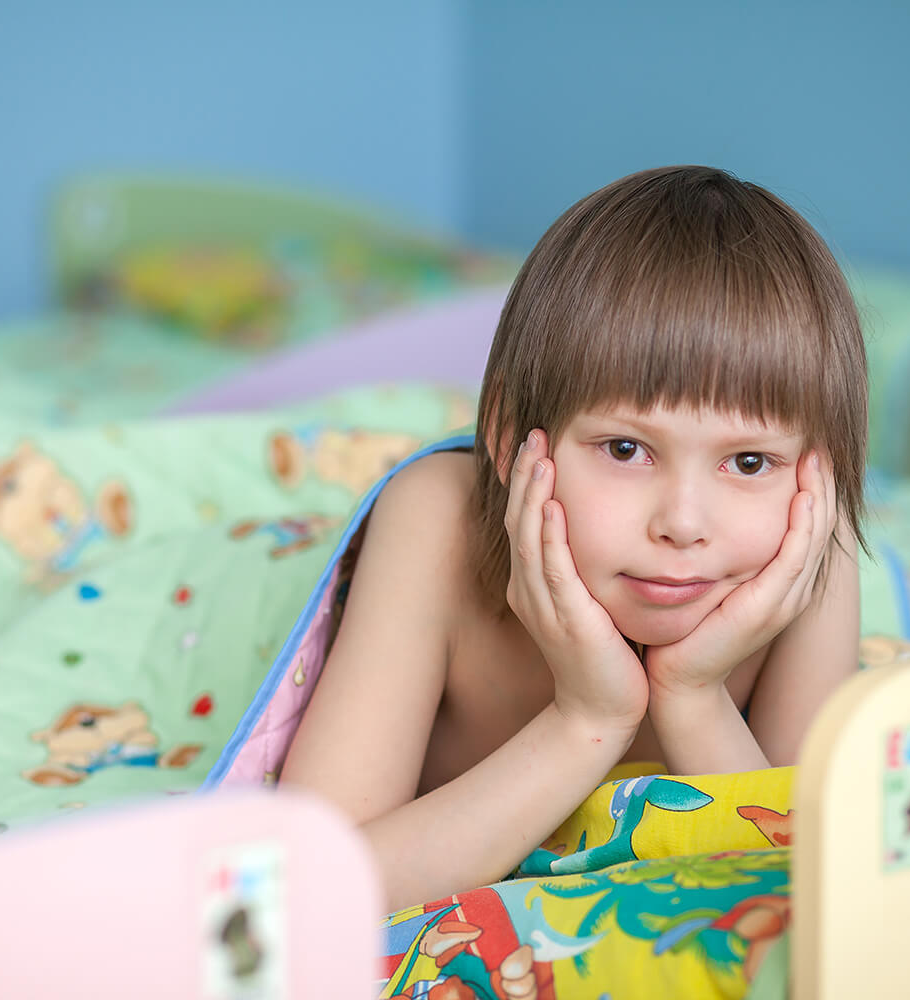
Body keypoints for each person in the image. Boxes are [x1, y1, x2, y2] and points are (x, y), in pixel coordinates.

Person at [279, 165, 868, 912]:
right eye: (625, 449)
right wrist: (586, 719)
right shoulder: (435, 522)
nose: (683, 524)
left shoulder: (813, 542)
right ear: (506, 438)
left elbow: (818, 895)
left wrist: (693, 700)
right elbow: (308, 895)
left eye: (749, 461)